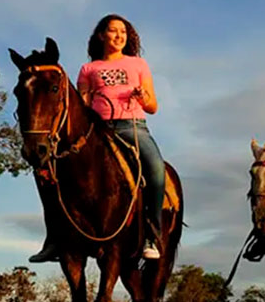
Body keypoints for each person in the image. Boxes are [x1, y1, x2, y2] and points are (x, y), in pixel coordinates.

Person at [29, 14, 167, 262]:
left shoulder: (138, 65)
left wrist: (142, 96)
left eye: (123, 32)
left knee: (157, 170)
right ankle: (54, 239)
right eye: (114, 31)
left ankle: (152, 235)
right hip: (97, 129)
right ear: (102, 35)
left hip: (132, 126)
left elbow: (153, 106)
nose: (119, 36)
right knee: (45, 173)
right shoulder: (89, 69)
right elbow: (81, 105)